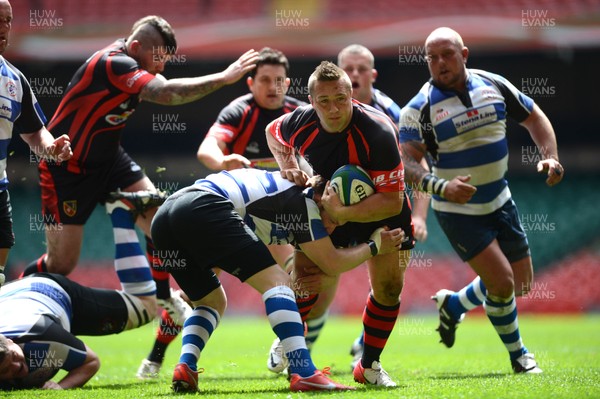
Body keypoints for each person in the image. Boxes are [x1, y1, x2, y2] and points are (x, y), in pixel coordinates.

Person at [20, 15, 259, 360]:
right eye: (159, 58)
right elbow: (166, 93)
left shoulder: (133, 63)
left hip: (110, 160)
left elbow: (159, 86)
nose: (161, 66)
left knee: (162, 220)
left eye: (165, 59)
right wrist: (224, 78)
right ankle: (15, 296)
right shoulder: (115, 63)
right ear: (136, 49)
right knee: (61, 264)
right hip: (66, 166)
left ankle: (166, 298)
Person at [399, 27, 564, 374]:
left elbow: (534, 117)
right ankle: (520, 356)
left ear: (465, 54)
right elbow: (408, 165)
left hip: (500, 199)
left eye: (447, 55)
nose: (440, 63)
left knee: (522, 284)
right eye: (432, 58)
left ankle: (455, 304)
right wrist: (442, 188)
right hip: (458, 210)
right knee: (502, 283)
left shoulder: (494, 84)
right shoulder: (419, 108)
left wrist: (550, 156)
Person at [150, 167, 405, 392]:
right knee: (277, 283)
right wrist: (375, 246)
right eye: (334, 218)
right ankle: (304, 373)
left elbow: (309, 260)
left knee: (210, 302)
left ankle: (185, 366)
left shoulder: (296, 200)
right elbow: (332, 262)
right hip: (204, 206)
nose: (333, 228)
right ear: (324, 196)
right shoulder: (305, 202)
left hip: (165, 218)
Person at [134, 47, 307, 380]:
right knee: (197, 293)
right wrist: (223, 161)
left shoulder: (298, 115)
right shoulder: (239, 111)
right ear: (251, 83)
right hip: (229, 213)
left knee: (300, 276)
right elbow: (207, 148)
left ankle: (287, 346)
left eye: (280, 80)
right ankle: (156, 355)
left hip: (274, 214)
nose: (273, 87)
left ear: (287, 82)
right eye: (265, 80)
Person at [265, 61, 416, 387]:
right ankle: (291, 342)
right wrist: (288, 165)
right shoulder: (299, 122)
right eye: (324, 101)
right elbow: (272, 133)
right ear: (311, 101)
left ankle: (369, 365)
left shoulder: (378, 131)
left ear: (351, 95)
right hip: (328, 204)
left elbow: (393, 201)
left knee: (389, 289)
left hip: (382, 210)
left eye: (341, 99)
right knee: (306, 277)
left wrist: (344, 212)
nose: (334, 109)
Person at [0, 0, 72, 288]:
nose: (4, 27)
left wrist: (51, 148)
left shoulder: (14, 81)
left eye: (8, 20)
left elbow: (35, 134)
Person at [0, 271, 157, 390]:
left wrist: (60, 387)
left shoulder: (42, 335)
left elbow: (92, 361)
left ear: (10, 341)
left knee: (145, 308)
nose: (15, 366)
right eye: (6, 369)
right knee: (59, 261)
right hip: (9, 295)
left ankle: (125, 226)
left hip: (51, 291)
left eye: (14, 356)